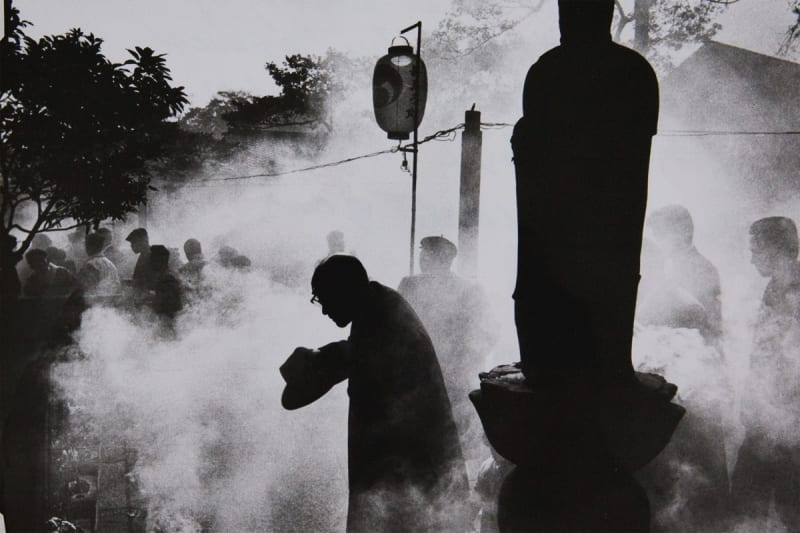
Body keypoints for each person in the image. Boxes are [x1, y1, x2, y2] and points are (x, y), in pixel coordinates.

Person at [511, 0, 659, 385]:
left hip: (567, 227)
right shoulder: (634, 72)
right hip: (606, 232)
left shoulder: (549, 71)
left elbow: (539, 151)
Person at [280, 255, 469, 532]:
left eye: (323, 299)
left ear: (344, 290)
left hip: (410, 472)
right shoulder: (378, 307)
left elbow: (360, 357)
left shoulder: (382, 320)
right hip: (409, 469)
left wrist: (317, 362)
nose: (323, 311)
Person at [397, 236, 495, 463]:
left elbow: (486, 332)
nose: (423, 259)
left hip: (431, 374)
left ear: (444, 259)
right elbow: (487, 332)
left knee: (434, 438)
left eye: (427, 254)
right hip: (440, 375)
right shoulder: (469, 289)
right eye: (422, 253)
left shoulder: (410, 285)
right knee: (451, 441)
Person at [730, 216, 800, 528]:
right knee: (746, 500)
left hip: (791, 422)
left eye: (755, 250)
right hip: (765, 417)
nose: (751, 257)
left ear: (775, 249)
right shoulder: (772, 288)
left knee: (789, 506)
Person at [646, 205, 722, 342]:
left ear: (681, 232)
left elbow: (710, 324)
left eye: (661, 234)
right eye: (656, 235)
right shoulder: (673, 266)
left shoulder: (701, 269)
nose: (657, 241)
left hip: (696, 350)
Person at [78, 232, 121, 297]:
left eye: (86, 245)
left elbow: (87, 289)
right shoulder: (111, 264)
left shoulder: (91, 265)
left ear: (89, 247)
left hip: (96, 302)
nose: (85, 248)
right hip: (112, 302)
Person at [150, 245, 183, 318]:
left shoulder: (167, 279)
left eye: (151, 259)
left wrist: (152, 299)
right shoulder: (166, 276)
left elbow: (168, 307)